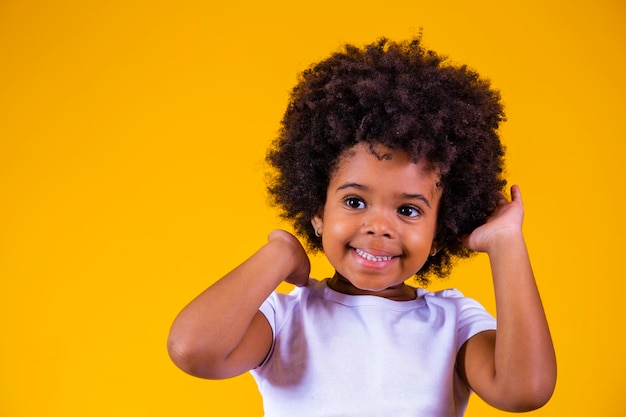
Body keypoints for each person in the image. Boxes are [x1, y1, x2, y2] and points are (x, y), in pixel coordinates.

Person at [167, 37, 557, 416]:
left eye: (408, 210)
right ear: (317, 212)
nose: (379, 227)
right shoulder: (286, 318)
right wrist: (279, 253)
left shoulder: (453, 323)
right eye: (355, 202)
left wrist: (506, 243)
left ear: (441, 232)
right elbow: (193, 350)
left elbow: (525, 391)